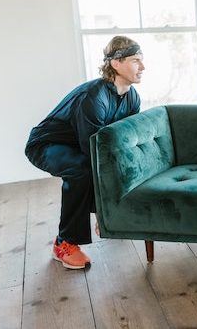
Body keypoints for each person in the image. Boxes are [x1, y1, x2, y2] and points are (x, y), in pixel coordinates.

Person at [25, 36, 144, 269]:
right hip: (46, 144)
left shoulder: (132, 98)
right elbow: (93, 151)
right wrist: (101, 207)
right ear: (116, 63)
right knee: (81, 170)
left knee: (105, 164)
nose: (143, 67)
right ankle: (64, 243)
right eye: (135, 60)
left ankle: (107, 217)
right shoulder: (94, 97)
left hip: (79, 145)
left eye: (142, 60)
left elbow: (125, 141)